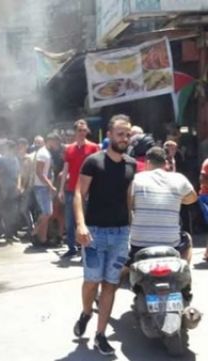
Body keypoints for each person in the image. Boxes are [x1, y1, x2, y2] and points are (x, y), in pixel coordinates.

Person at [73, 114, 136, 356]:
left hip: (120, 234)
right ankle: (87, 312)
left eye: (128, 134)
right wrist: (80, 224)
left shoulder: (131, 165)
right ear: (109, 135)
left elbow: (128, 198)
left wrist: (132, 227)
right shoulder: (93, 162)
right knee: (91, 282)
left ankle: (100, 335)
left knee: (110, 285)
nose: (125, 138)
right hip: (95, 233)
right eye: (120, 134)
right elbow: (79, 194)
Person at [128, 147, 197, 264]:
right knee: (187, 238)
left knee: (121, 274)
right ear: (165, 163)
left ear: (147, 162)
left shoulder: (136, 179)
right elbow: (192, 198)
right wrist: (176, 199)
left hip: (139, 243)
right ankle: (184, 271)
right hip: (171, 244)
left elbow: (129, 204)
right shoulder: (179, 178)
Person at [59, 120, 100, 258]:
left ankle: (86, 249)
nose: (82, 133)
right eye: (80, 130)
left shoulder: (94, 147)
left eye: (84, 130)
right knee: (70, 221)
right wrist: (60, 189)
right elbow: (65, 169)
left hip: (89, 190)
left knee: (87, 221)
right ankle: (71, 247)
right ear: (75, 132)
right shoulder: (69, 148)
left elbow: (98, 167)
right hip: (71, 189)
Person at [32, 133, 60, 246]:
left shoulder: (45, 152)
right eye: (56, 141)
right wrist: (50, 185)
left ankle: (42, 239)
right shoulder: (43, 153)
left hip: (43, 187)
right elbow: (39, 172)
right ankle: (35, 233)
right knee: (47, 213)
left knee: (46, 213)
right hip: (41, 187)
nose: (57, 144)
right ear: (50, 140)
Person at [0, 139, 21, 240]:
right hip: (5, 189)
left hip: (14, 188)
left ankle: (11, 234)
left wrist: (19, 186)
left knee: (13, 212)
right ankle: (5, 233)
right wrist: (2, 188)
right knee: (5, 212)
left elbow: (19, 173)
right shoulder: (2, 159)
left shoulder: (15, 159)